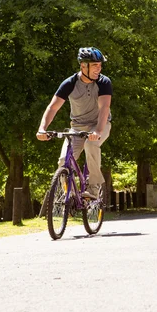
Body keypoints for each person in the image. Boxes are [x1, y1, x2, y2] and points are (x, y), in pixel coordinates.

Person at [36, 47, 112, 199]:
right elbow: (53, 107)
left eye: (100, 65)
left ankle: (94, 187)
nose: (99, 68)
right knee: (64, 161)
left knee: (91, 144)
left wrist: (97, 131)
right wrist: (42, 129)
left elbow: (104, 108)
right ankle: (70, 195)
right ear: (83, 66)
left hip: (100, 124)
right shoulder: (70, 83)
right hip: (77, 127)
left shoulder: (104, 82)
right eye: (95, 65)